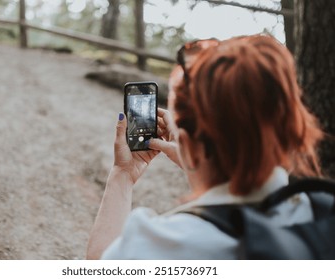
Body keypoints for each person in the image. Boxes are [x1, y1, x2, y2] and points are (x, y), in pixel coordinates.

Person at [86, 34, 323, 259]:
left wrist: (123, 174)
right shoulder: (320, 211)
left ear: (187, 144)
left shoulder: (169, 244)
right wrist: (195, 160)